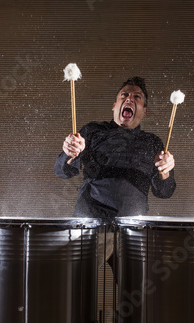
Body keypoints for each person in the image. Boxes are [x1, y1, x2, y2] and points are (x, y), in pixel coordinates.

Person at [54, 76, 176, 222]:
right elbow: (62, 172)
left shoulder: (153, 142)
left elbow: (164, 192)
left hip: (132, 225)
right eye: (124, 95)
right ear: (114, 105)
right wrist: (70, 154)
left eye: (137, 97)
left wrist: (165, 172)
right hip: (89, 220)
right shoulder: (93, 131)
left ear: (144, 111)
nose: (129, 99)